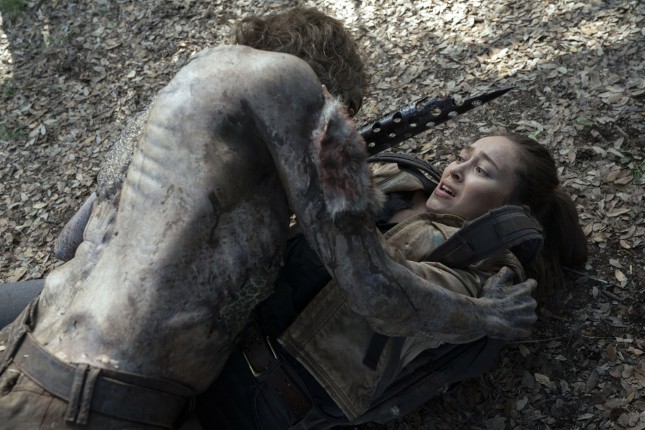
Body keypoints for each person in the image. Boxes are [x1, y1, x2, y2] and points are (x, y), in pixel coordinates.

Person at [0, 7, 539, 429]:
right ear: (334, 88)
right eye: (349, 112)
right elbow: (374, 290)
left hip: (26, 352)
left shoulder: (188, 85)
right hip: (96, 401)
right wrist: (487, 317)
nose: (347, 125)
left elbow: (68, 245)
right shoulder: (299, 90)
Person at [195, 133, 588, 429]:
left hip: (260, 389)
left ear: (512, 211)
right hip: (218, 322)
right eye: (462, 157)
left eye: (481, 171)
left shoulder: (483, 273)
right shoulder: (405, 181)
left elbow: (388, 292)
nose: (456, 170)